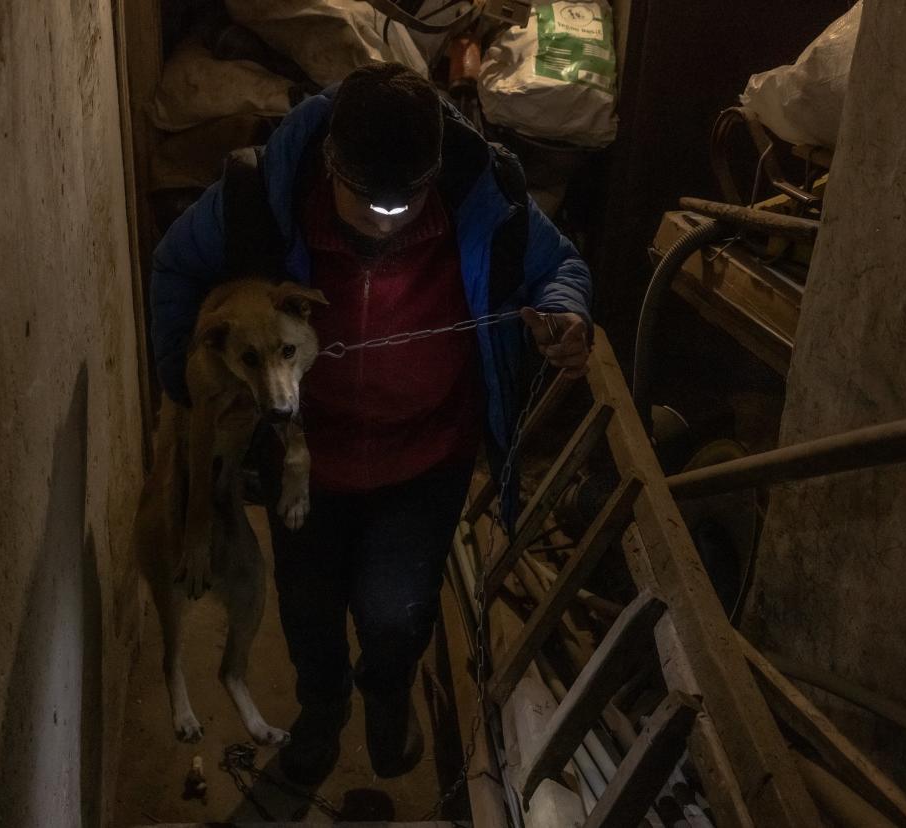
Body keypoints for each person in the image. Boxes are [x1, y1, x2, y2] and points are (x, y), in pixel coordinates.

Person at [149, 62, 592, 784]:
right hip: (303, 455)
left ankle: (387, 694)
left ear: (434, 171)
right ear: (330, 165)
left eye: (408, 202)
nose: (390, 218)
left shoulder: (486, 192)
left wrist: (567, 313)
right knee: (307, 606)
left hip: (425, 456)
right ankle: (322, 713)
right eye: (368, 203)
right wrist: (187, 381)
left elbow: (559, 266)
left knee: (393, 612)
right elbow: (174, 268)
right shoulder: (263, 195)